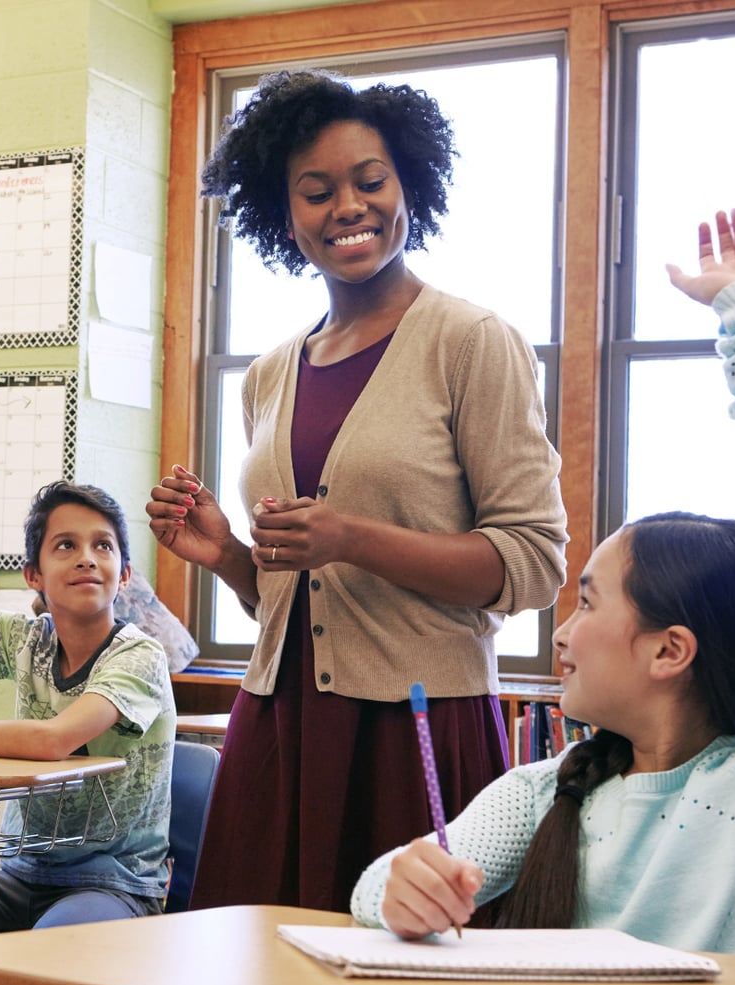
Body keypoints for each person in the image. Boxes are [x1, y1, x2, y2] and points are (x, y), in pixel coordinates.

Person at [349, 209, 735, 961]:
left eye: (587, 600)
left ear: (670, 650)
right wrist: (400, 888)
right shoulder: (547, 788)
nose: (561, 630)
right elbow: (371, 896)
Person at [146, 68, 567, 914]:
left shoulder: (472, 342)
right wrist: (226, 553)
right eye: (317, 191)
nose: (348, 206)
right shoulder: (269, 374)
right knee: (260, 959)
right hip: (277, 723)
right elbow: (292, 591)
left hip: (414, 727)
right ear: (283, 213)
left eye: (370, 181)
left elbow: (533, 564)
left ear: (410, 185)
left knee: (402, 962)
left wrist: (352, 537)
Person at [0, 393, 176, 946]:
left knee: (49, 950)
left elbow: (54, 739)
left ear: (124, 573)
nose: (87, 556)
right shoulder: (29, 640)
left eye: (103, 545)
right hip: (21, 874)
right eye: (66, 545)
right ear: (33, 575)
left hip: (114, 886)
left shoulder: (139, 655)